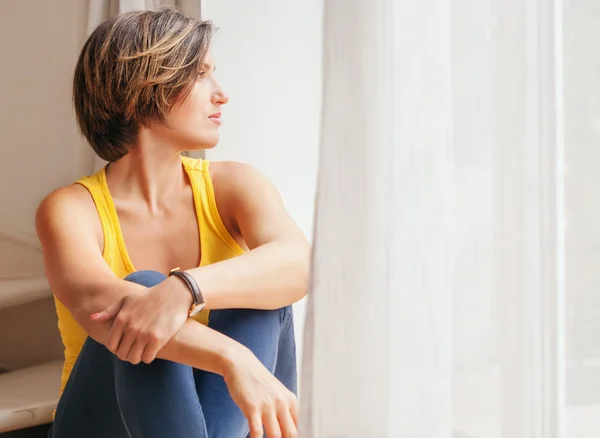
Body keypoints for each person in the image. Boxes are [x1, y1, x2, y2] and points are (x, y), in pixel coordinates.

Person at [35, 8, 309, 438]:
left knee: (260, 292)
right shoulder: (71, 209)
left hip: (217, 426)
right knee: (141, 291)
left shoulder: (235, 185)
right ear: (142, 88)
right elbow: (98, 306)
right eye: (200, 75)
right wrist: (234, 359)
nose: (221, 95)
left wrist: (186, 288)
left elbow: (298, 264)